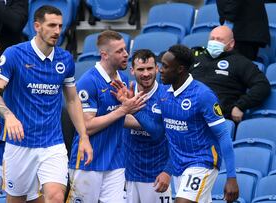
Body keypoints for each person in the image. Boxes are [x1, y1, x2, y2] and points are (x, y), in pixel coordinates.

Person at [0, 5, 93, 203]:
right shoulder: (14, 54)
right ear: (37, 26)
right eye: (52, 25)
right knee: (16, 200)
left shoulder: (65, 59)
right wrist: (9, 116)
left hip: (52, 144)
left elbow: (71, 99)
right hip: (19, 144)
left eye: (60, 26)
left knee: (55, 196)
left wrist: (84, 136)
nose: (57, 31)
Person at [114, 45, 239, 203]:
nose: (160, 71)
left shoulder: (202, 95)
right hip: (179, 165)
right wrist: (134, 109)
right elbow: (157, 132)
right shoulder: (165, 94)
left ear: (180, 69)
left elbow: (223, 134)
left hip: (202, 161)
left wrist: (231, 177)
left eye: (165, 67)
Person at [67, 30, 145, 203]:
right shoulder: (89, 81)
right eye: (119, 51)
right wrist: (123, 109)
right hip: (88, 161)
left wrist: (148, 122)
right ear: (104, 55)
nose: (126, 54)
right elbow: (86, 126)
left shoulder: (122, 80)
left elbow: (121, 118)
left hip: (115, 162)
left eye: (125, 49)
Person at [190, 26, 271, 123]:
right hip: (185, 111)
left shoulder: (240, 62)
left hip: (216, 117)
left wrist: (240, 106)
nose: (214, 42)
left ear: (231, 44)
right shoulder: (196, 58)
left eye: (219, 40)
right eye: (212, 39)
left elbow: (262, 85)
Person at [123, 49, 172, 203]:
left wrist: (168, 171)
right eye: (141, 69)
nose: (146, 74)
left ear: (157, 68)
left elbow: (163, 135)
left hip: (158, 176)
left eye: (150, 68)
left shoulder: (168, 96)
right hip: (127, 175)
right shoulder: (123, 93)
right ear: (132, 71)